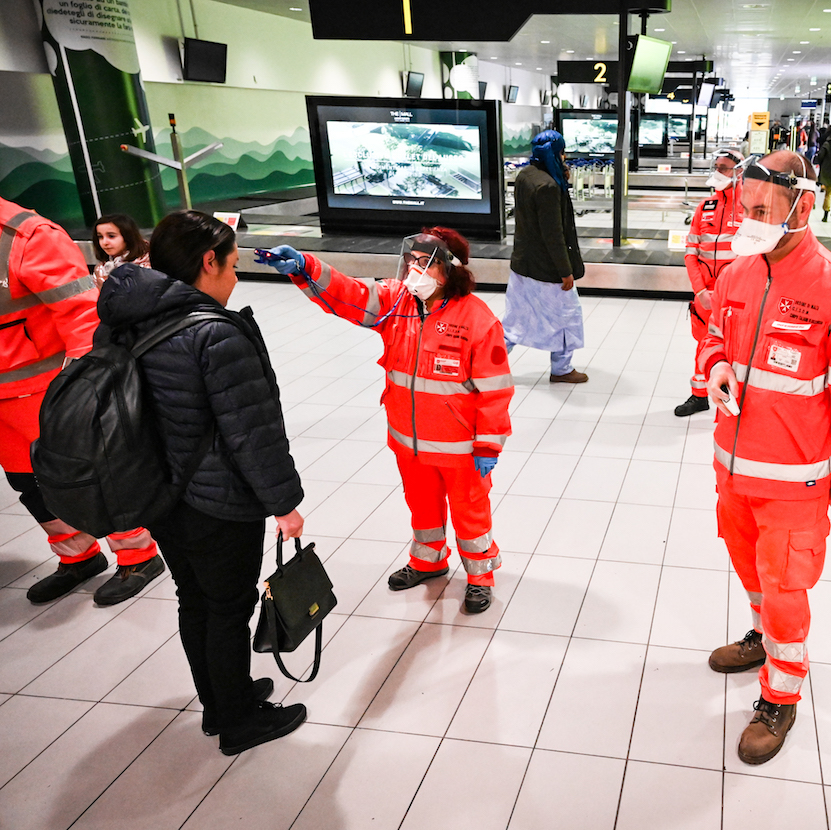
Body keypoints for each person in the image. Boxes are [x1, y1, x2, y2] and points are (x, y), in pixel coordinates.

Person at [699, 151, 831, 765]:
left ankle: (780, 696)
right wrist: (717, 365)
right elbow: (714, 335)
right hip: (733, 470)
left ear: (803, 205)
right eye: (742, 208)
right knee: (750, 569)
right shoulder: (737, 273)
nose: (747, 221)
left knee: (784, 586)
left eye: (761, 210)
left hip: (795, 483)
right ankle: (761, 638)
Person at [97, 210, 306, 755]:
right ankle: (238, 722)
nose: (236, 278)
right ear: (208, 261)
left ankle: (219, 701)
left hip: (161, 493)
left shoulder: (127, 316)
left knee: (194, 600)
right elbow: (251, 431)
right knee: (229, 609)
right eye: (233, 265)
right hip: (218, 501)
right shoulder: (214, 332)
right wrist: (284, 504)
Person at [261, 228, 513, 614]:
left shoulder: (478, 320)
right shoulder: (398, 302)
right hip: (408, 441)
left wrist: (488, 445)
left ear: (451, 269)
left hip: (460, 449)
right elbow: (348, 294)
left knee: (470, 512)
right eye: (411, 261)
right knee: (422, 507)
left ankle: (480, 577)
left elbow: (495, 391)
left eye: (425, 263)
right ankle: (429, 562)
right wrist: (304, 267)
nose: (415, 270)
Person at [0, 196, 164, 607]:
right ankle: (78, 556)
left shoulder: (27, 234)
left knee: (91, 473)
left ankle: (138, 555)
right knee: (26, 483)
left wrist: (83, 386)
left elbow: (80, 314)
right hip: (4, 401)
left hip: (45, 389)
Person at [504, 130, 588, 383]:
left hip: (523, 264)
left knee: (514, 321)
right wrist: (565, 271)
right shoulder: (549, 187)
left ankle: (482, 363)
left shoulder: (526, 175)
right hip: (546, 269)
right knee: (567, 318)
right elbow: (554, 235)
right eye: (562, 152)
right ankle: (562, 369)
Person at [676, 148, 743, 417]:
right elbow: (691, 252)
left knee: (738, 347)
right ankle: (700, 395)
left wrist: (727, 291)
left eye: (724, 167)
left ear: (739, 171)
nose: (718, 172)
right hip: (705, 297)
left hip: (735, 297)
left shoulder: (750, 208)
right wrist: (701, 290)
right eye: (716, 166)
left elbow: (753, 259)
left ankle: (734, 395)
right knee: (705, 344)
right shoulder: (705, 207)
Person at [91, 213, 149, 288]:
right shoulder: (100, 269)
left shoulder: (146, 268)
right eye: (100, 237)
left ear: (128, 237)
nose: (105, 242)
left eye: (111, 236)